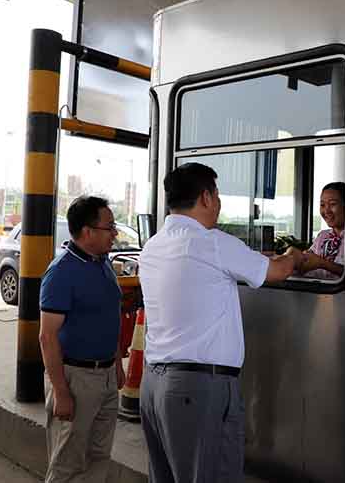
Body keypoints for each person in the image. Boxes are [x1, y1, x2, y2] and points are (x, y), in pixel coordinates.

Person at [138, 162, 302, 483]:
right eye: (217, 195)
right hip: (198, 389)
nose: (219, 203)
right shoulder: (212, 242)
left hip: (154, 385)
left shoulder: (153, 246)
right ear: (206, 197)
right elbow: (278, 271)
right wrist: (295, 255)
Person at [38, 195, 126, 483]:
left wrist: (117, 364)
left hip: (106, 376)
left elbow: (109, 318)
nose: (115, 233)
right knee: (68, 463)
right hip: (76, 378)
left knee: (99, 457)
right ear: (87, 231)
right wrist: (61, 392)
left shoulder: (102, 263)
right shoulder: (62, 272)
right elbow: (47, 337)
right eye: (109, 227)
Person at [290, 181, 345, 279]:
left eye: (332, 204)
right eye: (322, 205)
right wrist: (295, 258)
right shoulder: (322, 236)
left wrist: (322, 263)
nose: (326, 211)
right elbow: (307, 260)